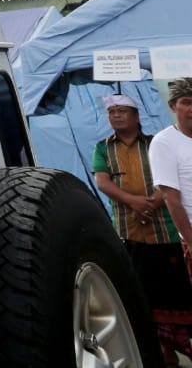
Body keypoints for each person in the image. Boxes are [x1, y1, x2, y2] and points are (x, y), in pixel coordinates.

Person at [94, 93, 192, 364]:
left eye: (122, 111)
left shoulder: (156, 144)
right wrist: (134, 202)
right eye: (112, 112)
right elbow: (102, 181)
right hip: (131, 234)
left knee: (180, 295)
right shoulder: (103, 147)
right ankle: (163, 353)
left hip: (167, 233)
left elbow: (171, 180)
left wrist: (151, 203)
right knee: (143, 296)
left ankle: (181, 345)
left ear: (136, 117)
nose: (115, 115)